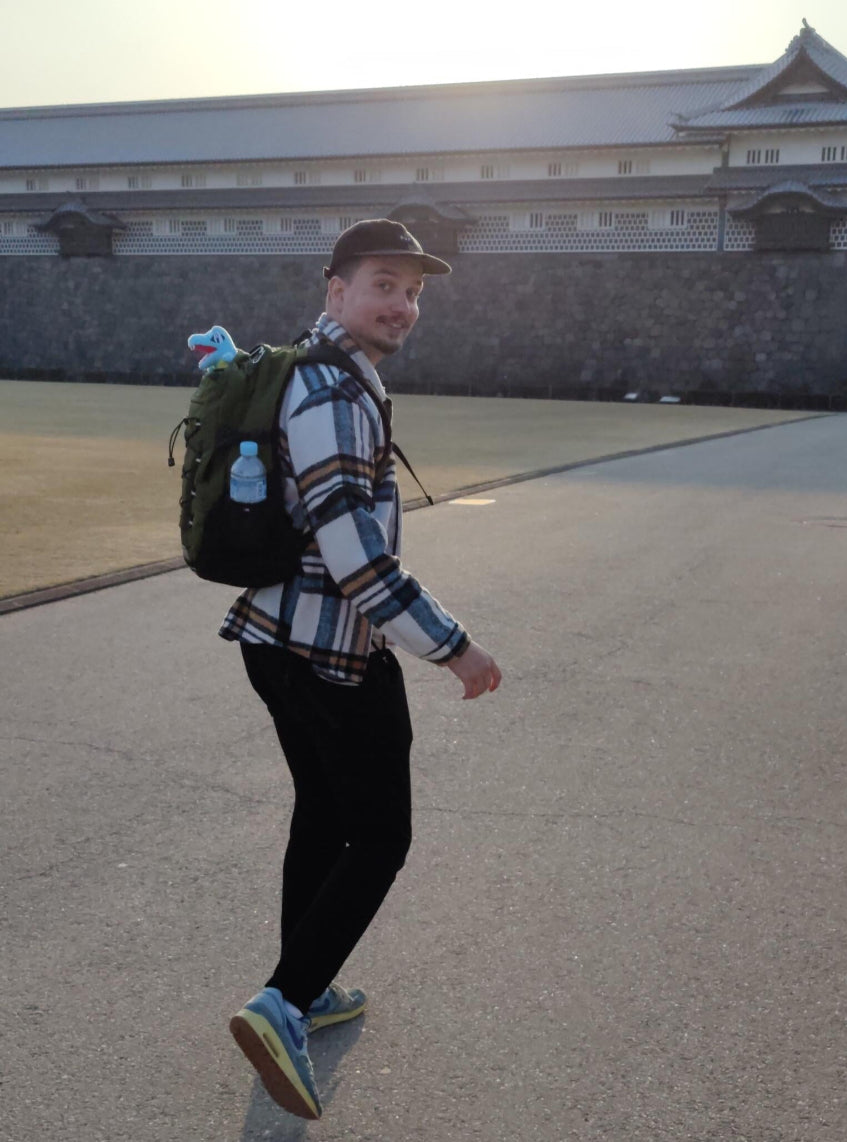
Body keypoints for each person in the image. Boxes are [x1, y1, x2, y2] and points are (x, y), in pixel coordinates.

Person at [221, 219, 502, 1120]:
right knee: (381, 837)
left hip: (274, 635)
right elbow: (353, 548)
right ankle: (280, 1005)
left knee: (324, 811)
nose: (403, 304)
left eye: (415, 291)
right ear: (335, 288)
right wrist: (453, 647)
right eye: (385, 283)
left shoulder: (317, 371)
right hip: (331, 652)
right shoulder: (334, 390)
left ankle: (304, 988)